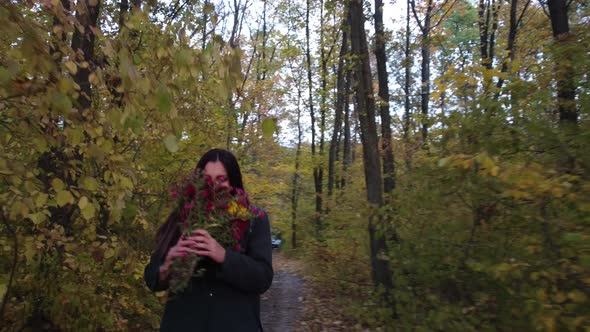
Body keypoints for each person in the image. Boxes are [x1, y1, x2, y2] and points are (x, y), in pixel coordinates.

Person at [144, 148, 273, 331]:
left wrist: (224, 256)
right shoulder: (182, 217)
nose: (213, 187)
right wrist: (166, 267)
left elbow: (263, 278)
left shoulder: (253, 218)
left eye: (222, 179)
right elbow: (151, 278)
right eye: (207, 180)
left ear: (233, 181)